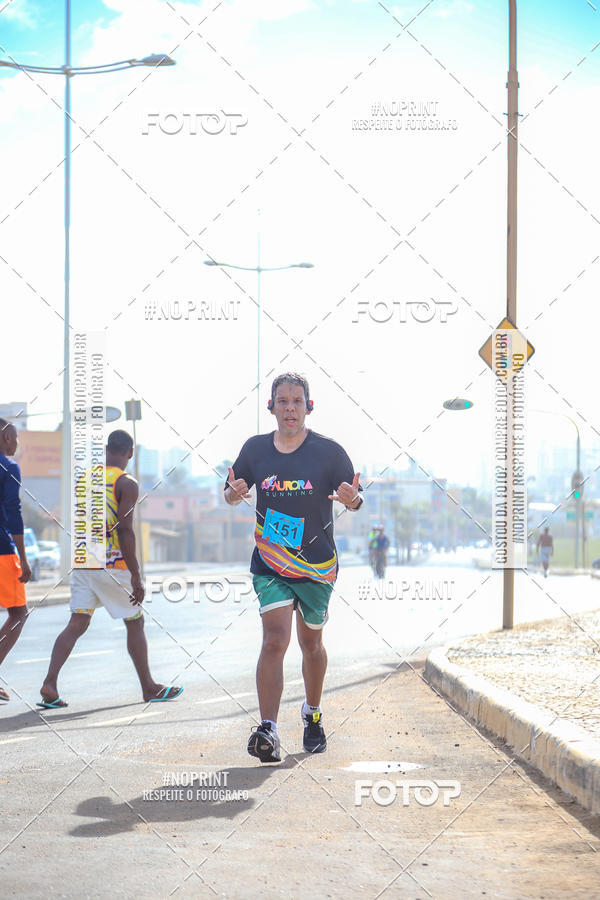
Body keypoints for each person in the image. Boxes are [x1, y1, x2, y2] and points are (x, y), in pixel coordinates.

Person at [225, 373, 363, 763]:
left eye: (296, 401)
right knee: (274, 640)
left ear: (308, 406)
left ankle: (313, 714)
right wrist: (233, 496)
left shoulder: (329, 453)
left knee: (310, 643)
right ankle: (267, 728)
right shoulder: (254, 450)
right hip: (270, 562)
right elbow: (232, 489)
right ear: (271, 406)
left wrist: (353, 501)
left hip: (317, 565)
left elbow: (354, 498)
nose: (289, 408)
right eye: (282, 401)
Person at [39, 429, 182, 709]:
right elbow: (125, 530)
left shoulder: (84, 479)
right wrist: (136, 576)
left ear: (106, 449)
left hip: (83, 561)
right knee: (135, 620)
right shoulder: (126, 482)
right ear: (130, 453)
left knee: (77, 623)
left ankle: (50, 683)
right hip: (112, 562)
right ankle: (149, 687)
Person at [0, 419, 31, 701]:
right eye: (16, 437)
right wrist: (24, 557)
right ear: (7, 437)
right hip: (2, 551)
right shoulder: (8, 468)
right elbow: (13, 513)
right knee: (19, 613)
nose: (17, 443)